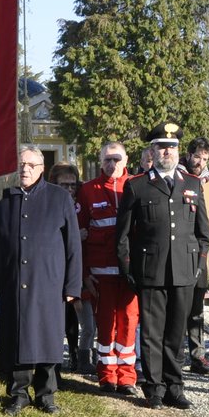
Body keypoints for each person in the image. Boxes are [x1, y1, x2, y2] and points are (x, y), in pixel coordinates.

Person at [115, 122, 209, 410]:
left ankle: (175, 387)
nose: (166, 151)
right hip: (150, 270)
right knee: (152, 333)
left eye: (171, 147)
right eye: (160, 146)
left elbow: (203, 234)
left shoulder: (192, 184)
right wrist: (128, 270)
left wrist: (197, 269)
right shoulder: (137, 185)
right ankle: (154, 388)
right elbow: (122, 237)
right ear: (152, 150)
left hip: (183, 270)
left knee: (176, 332)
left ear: (177, 151)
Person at [0, 148, 82, 414]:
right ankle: (18, 393)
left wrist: (72, 286)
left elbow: (73, 245)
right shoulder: (2, 198)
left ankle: (46, 394)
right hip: (13, 281)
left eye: (31, 164)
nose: (25, 169)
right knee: (16, 337)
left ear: (42, 167)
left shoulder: (59, 197)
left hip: (49, 282)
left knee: (48, 337)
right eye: (20, 164)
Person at [77, 142, 139, 395]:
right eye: (107, 160)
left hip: (130, 273)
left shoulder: (136, 186)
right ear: (100, 161)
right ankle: (106, 375)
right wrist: (84, 274)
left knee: (128, 323)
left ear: (126, 160)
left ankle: (127, 378)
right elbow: (78, 237)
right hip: (100, 274)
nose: (112, 164)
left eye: (117, 159)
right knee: (105, 325)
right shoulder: (88, 190)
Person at [49, 161, 90, 372]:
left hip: (78, 267)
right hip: (55, 267)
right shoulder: (49, 202)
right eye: (64, 185)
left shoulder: (80, 203)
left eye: (73, 185)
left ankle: (75, 353)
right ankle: (54, 359)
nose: (69, 190)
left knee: (75, 315)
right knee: (60, 315)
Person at [182, 137, 209, 375]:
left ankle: (197, 355)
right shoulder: (178, 177)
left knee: (196, 307)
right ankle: (172, 355)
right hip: (179, 249)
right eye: (197, 157)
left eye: (204, 159)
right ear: (188, 154)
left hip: (200, 253)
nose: (200, 162)